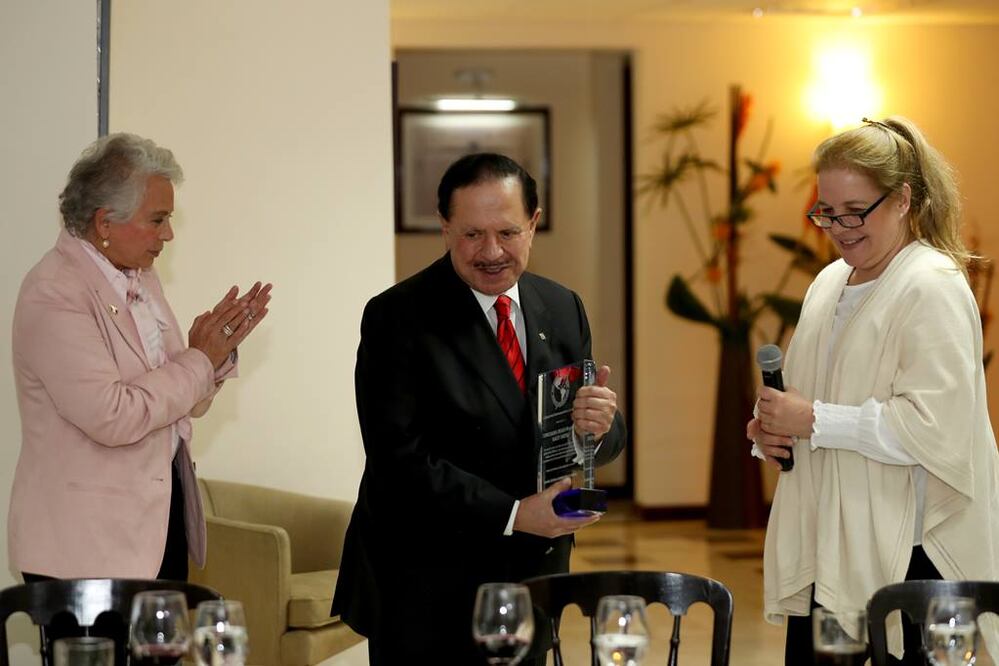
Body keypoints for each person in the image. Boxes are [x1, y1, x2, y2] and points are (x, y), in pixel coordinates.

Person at [331, 153, 627, 664]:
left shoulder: (561, 306)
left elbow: (579, 429)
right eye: (472, 235)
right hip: (427, 584)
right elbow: (398, 461)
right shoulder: (397, 316)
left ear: (533, 224)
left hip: (533, 575)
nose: (491, 252)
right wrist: (514, 514)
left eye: (508, 233)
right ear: (444, 228)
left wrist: (598, 428)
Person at [747, 117, 999, 664]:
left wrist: (811, 420)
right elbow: (815, 395)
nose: (840, 227)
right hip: (831, 547)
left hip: (909, 558)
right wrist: (769, 428)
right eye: (826, 212)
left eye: (856, 210)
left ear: (904, 199)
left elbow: (933, 430)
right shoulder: (828, 283)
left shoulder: (930, 283)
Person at [8, 133, 273, 584]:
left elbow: (187, 400)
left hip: (152, 529)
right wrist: (197, 360)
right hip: (86, 548)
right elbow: (114, 415)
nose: (168, 234)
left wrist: (212, 352)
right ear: (105, 222)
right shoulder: (54, 291)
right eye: (159, 220)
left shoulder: (140, 279)